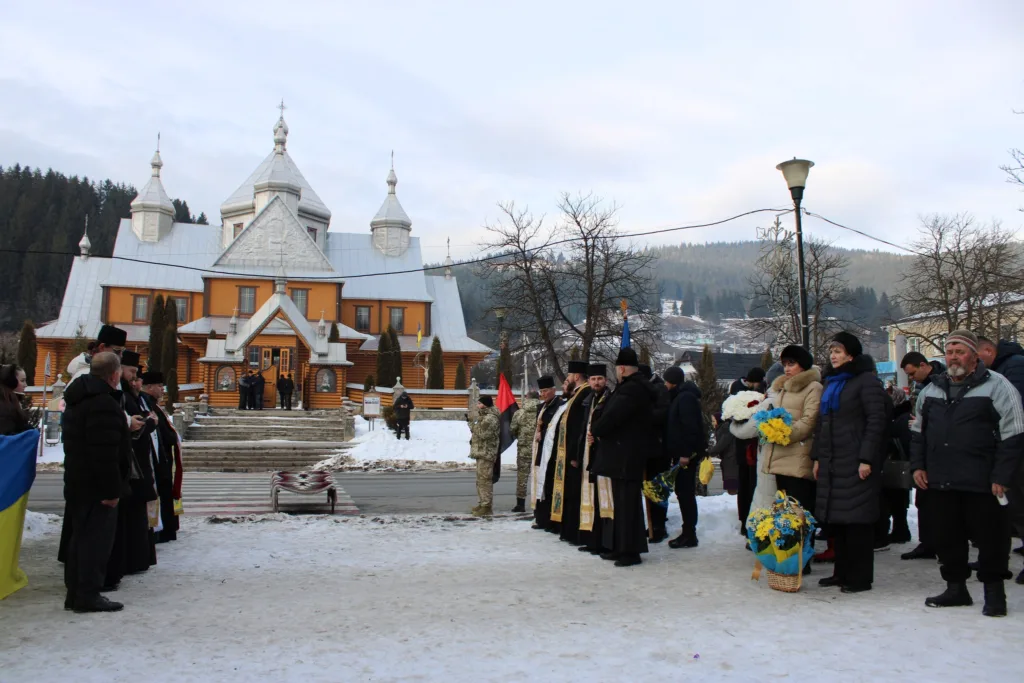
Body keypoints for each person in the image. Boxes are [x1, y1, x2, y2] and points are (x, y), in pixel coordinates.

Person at [911, 330, 1022, 616]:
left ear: (974, 355)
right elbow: (918, 433)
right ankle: (955, 588)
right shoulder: (931, 390)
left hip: (984, 480)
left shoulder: (999, 386)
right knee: (948, 537)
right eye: (949, 351)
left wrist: (1002, 475)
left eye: (960, 351)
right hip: (941, 479)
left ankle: (994, 593)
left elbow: (1013, 434)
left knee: (992, 539)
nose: (953, 357)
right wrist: (918, 465)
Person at [812, 331, 888, 593]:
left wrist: (866, 457)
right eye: (831, 351)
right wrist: (818, 457)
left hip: (856, 460)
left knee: (858, 522)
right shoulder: (832, 382)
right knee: (839, 521)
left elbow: (877, 421)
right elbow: (822, 423)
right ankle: (841, 572)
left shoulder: (866, 382)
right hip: (834, 461)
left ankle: (860, 577)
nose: (833, 355)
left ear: (851, 355)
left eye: (839, 351)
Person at [61, 352, 130, 613]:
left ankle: (75, 593)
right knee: (94, 543)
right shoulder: (103, 404)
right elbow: (105, 453)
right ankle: (88, 594)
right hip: (97, 487)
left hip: (79, 483)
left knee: (79, 540)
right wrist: (112, 490)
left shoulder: (78, 399)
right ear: (114, 375)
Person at [590, 347, 655, 567]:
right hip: (625, 454)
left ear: (623, 368)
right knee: (623, 503)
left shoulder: (631, 390)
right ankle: (621, 547)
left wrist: (597, 428)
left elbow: (612, 416)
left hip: (626, 454)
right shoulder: (634, 387)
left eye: (617, 368)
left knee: (627, 505)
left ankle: (629, 551)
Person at [106, 351, 156, 583]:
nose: (136, 380)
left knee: (135, 517)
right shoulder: (118, 396)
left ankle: (136, 558)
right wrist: (143, 424)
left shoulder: (128, 395)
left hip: (138, 463)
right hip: (127, 466)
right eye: (132, 374)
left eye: (137, 376)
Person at [978, 336, 1024, 581]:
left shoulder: (1014, 366)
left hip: (1016, 445)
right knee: (1010, 506)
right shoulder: (1002, 368)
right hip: (1007, 446)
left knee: (1019, 504)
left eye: (978, 356)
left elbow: (1013, 409)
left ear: (988, 350)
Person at [762, 345, 822, 533]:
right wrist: (768, 427)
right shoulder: (783, 388)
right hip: (780, 456)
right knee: (785, 513)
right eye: (785, 364)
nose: (787, 368)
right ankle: (789, 557)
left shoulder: (813, 387)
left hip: (798, 457)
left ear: (803, 365)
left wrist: (783, 433)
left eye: (792, 363)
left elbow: (809, 420)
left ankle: (803, 560)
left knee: (800, 513)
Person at [898, 351, 945, 561]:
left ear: (924, 365)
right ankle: (927, 543)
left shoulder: (943, 382)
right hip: (921, 446)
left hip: (939, 450)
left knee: (941, 502)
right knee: (923, 498)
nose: (912, 378)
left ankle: (942, 544)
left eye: (913, 373)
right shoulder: (921, 386)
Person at [662, 365, 706, 549]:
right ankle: (688, 532)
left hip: (686, 456)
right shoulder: (682, 396)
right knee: (682, 493)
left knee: (686, 494)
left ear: (671, 381)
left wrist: (685, 454)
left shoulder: (685, 398)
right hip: (682, 454)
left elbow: (690, 428)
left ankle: (689, 534)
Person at [551, 360, 591, 545]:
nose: (567, 380)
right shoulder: (577, 394)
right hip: (567, 452)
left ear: (576, 376)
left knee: (575, 493)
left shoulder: (585, 393)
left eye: (568, 376)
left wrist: (575, 454)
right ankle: (568, 531)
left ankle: (575, 533)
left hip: (576, 453)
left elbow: (579, 428)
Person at [139, 371, 182, 543]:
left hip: (163, 459)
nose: (162, 389)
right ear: (149, 387)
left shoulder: (154, 405)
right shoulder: (147, 405)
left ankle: (167, 528)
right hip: (157, 460)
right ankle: (161, 530)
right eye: (159, 386)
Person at [579, 364, 610, 553]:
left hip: (603, 455)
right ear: (589, 381)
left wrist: (597, 437)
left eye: (599, 379)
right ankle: (593, 540)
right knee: (591, 498)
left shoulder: (609, 399)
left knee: (603, 500)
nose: (596, 382)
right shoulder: (589, 399)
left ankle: (604, 542)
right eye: (593, 379)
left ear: (605, 380)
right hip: (588, 454)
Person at [531, 376, 567, 530]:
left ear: (553, 390)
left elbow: (557, 431)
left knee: (550, 487)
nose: (543, 394)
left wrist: (543, 433)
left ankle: (551, 520)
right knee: (540, 485)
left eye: (545, 390)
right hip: (540, 452)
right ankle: (540, 518)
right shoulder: (542, 407)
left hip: (552, 455)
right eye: (541, 391)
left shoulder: (559, 406)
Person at [642, 364, 672, 543]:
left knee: (657, 488)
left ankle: (659, 526)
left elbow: (660, 415)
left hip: (659, 449)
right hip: (648, 448)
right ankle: (652, 524)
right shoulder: (650, 389)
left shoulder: (659, 390)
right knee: (649, 488)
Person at [468, 396, 500, 517]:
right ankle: (482, 503)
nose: (477, 405)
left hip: (487, 453)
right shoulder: (484, 417)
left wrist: (471, 424)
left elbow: (483, 434)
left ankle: (486, 506)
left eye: (479, 403)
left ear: (485, 405)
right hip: (481, 452)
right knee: (480, 480)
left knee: (485, 480)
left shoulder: (490, 418)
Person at [509, 390, 539, 512]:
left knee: (522, 477)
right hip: (540, 450)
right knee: (539, 477)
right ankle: (539, 504)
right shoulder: (543, 411)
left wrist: (521, 436)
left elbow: (513, 429)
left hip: (523, 449)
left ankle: (520, 504)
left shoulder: (519, 413)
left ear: (527, 398)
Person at [0, 364, 31, 435]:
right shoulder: (4, 405)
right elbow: (6, 435)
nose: (25, 385)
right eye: (22, 381)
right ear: (11, 382)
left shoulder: (13, 401)